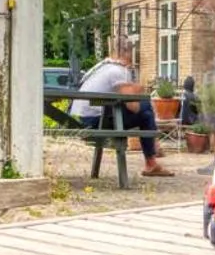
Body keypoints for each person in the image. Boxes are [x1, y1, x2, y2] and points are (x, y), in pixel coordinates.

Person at [72, 42, 173, 178]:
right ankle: (151, 162)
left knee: (143, 108)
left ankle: (154, 150)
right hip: (96, 121)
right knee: (146, 109)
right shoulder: (119, 71)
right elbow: (133, 106)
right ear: (127, 55)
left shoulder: (103, 67)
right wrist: (138, 89)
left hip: (84, 118)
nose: (133, 63)